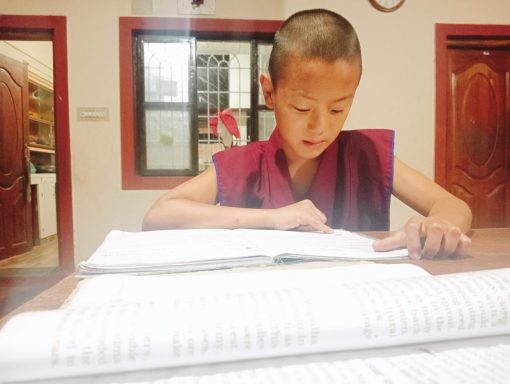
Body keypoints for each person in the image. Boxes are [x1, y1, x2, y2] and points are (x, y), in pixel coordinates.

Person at [142, 9, 472, 260]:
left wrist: (439, 225)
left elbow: (452, 205)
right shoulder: (244, 163)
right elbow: (158, 215)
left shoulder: (366, 153)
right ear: (269, 93)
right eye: (302, 109)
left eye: (337, 109)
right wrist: (271, 219)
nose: (320, 126)